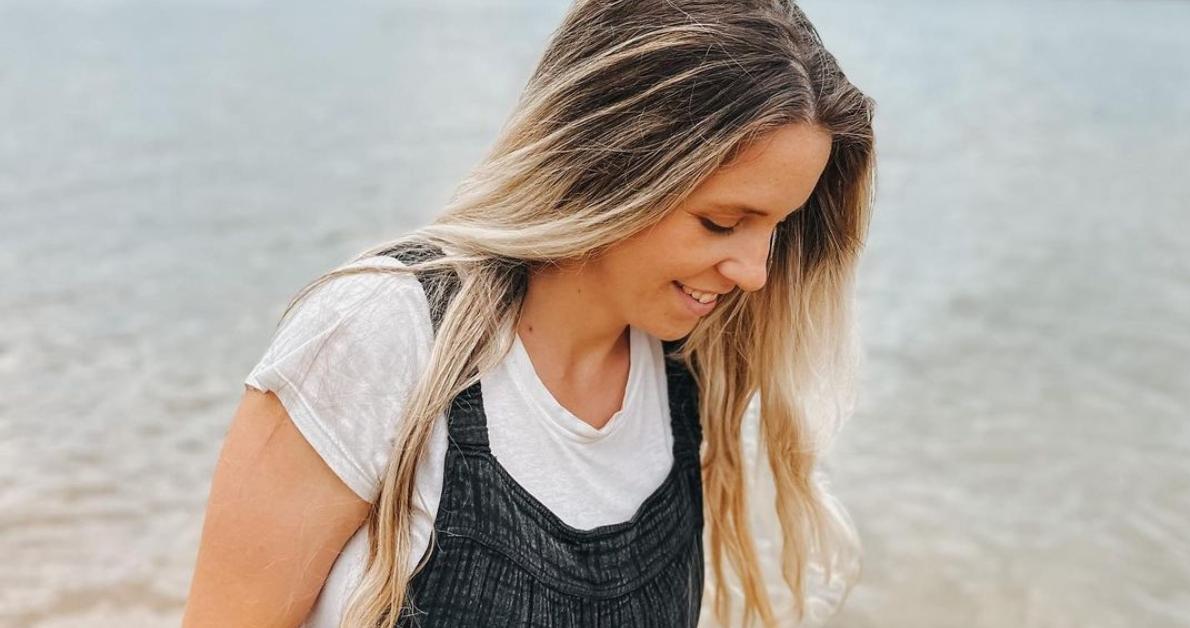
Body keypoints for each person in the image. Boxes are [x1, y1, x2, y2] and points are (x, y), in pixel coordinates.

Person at [183, 0, 876, 626]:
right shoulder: (379, 331)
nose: (754, 274)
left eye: (777, 228)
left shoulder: (689, 368)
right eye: (722, 222)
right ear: (608, 165)